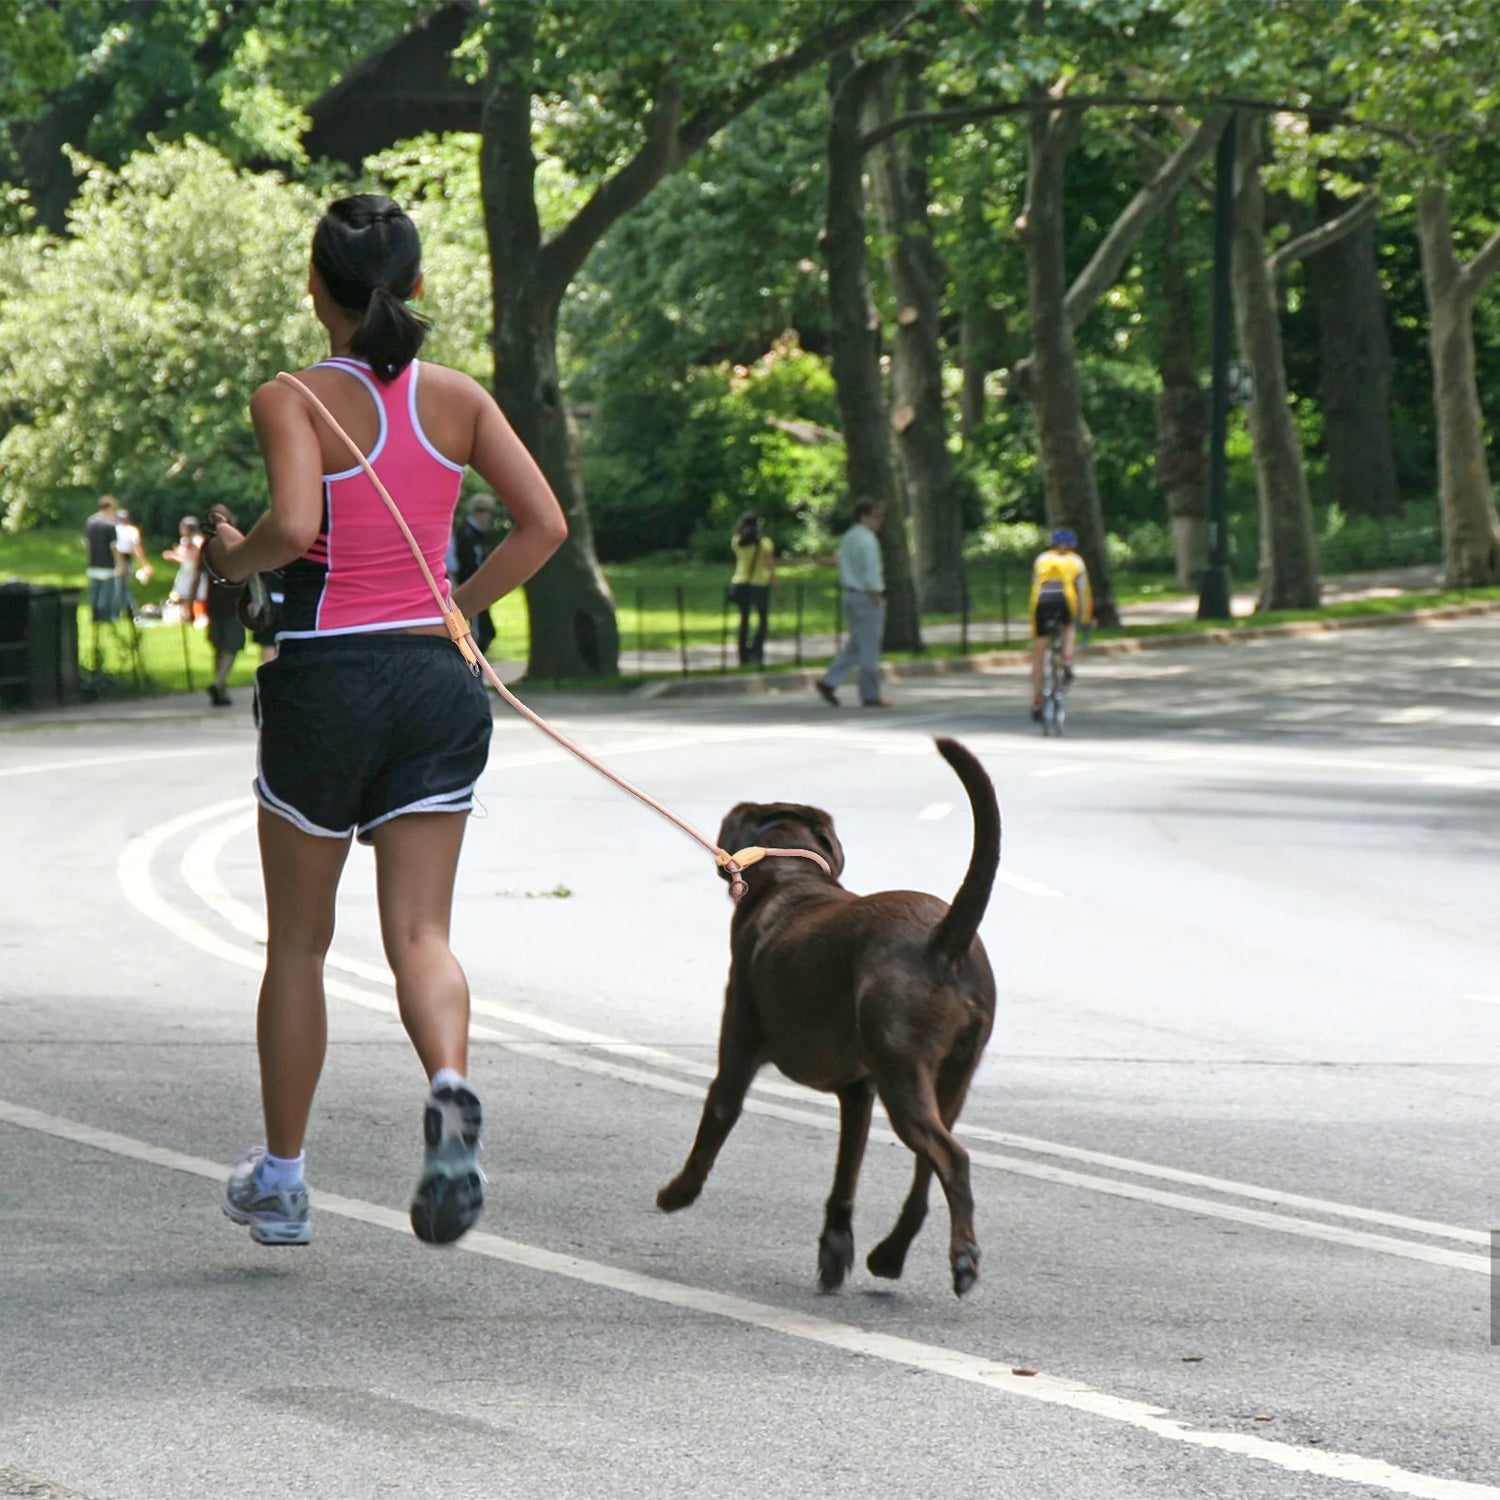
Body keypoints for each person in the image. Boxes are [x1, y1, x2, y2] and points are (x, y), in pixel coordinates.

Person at [201, 193, 567, 1250]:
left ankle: (281, 1182)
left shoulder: (292, 398)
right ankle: (450, 1083)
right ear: (411, 287)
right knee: (421, 933)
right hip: (432, 680)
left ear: (316, 285)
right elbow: (543, 525)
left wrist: (230, 556)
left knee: (301, 946)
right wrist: (465, 606)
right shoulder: (457, 399)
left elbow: (297, 529)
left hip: (325, 684)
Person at [815, 498, 891, 709]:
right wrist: (876, 592)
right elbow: (870, 569)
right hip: (866, 594)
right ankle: (870, 695)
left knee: (857, 643)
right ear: (864, 516)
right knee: (869, 646)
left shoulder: (849, 536)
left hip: (850, 594)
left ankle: (829, 681)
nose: (880, 521)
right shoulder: (868, 540)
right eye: (876, 516)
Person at [1029, 527, 1092, 722]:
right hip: (1065, 599)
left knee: (1039, 654)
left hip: (1041, 601)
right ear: (1072, 546)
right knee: (1069, 627)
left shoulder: (1041, 559)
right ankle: (1066, 659)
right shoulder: (1076, 561)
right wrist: (1084, 619)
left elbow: (1034, 584)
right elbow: (1083, 592)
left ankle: (1036, 700)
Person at [198, 506, 245, 707]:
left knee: (219, 646)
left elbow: (199, 574)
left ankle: (221, 685)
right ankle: (219, 683)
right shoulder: (234, 541)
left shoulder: (207, 545)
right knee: (231, 645)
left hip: (214, 599)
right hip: (234, 600)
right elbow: (247, 568)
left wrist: (193, 598)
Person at [447, 491, 498, 656]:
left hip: (476, 590)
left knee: (485, 631)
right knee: (478, 633)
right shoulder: (467, 535)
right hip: (470, 590)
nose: (488, 516)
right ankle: (472, 669)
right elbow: (463, 565)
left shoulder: (475, 534)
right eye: (485, 511)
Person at [728, 510, 775, 667]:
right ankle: (756, 651)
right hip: (760, 583)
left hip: (741, 582)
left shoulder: (737, 541)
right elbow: (769, 565)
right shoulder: (764, 543)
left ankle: (743, 656)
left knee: (744, 621)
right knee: (762, 620)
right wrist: (777, 584)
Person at [83, 495, 120, 625]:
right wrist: (119, 562)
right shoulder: (110, 524)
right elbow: (113, 546)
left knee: (94, 592)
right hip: (107, 564)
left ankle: (93, 616)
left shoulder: (91, 521)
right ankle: (105, 617)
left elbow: (87, 543)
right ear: (109, 507)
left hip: (93, 562)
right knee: (106, 593)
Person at [112, 507, 152, 620]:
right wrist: (144, 564)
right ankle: (132, 611)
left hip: (117, 559)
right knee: (121, 588)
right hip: (125, 559)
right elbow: (137, 548)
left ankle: (117, 613)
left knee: (118, 588)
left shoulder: (116, 529)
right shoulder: (132, 530)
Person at [162, 516, 203, 624]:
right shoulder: (185, 540)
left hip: (193, 573)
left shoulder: (197, 541)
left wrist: (173, 556)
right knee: (180, 596)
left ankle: (192, 616)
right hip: (185, 572)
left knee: (187, 596)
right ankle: (186, 616)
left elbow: (193, 558)